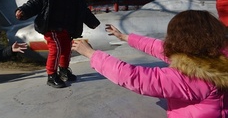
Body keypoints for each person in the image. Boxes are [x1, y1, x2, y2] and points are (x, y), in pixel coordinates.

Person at [72, 10, 228, 117]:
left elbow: (135, 77)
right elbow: (157, 47)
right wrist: (125, 37)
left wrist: (91, 54)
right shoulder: (215, 55)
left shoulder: (190, 77)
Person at [15, 0, 100, 88]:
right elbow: (35, 2)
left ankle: (64, 70)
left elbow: (83, 10)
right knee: (56, 49)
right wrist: (24, 11)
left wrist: (92, 22)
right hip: (51, 27)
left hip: (68, 28)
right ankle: (51, 75)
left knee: (66, 50)